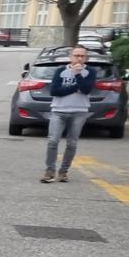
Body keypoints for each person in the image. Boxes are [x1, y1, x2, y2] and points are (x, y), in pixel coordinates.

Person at [42, 45, 96, 182]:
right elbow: (55, 91)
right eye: (76, 55)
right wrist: (76, 87)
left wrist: (77, 74)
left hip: (79, 112)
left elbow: (86, 89)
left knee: (72, 143)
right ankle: (50, 170)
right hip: (58, 111)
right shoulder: (61, 70)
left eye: (82, 56)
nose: (79, 58)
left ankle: (63, 171)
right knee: (53, 141)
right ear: (70, 57)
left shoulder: (90, 71)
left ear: (86, 58)